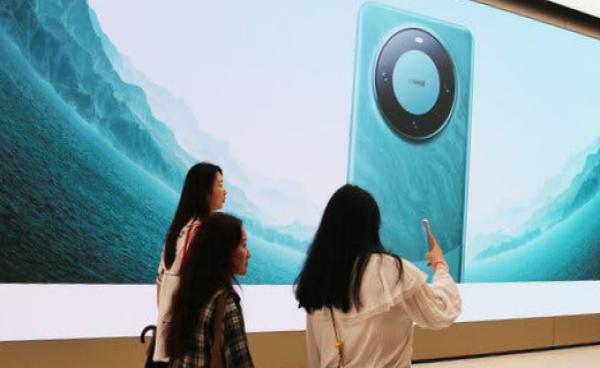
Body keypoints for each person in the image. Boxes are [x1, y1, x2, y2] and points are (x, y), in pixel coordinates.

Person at [295, 184, 461, 368]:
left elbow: (315, 358)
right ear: (373, 226)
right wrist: (440, 265)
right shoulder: (392, 272)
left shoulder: (317, 278)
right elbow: (441, 311)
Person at [154, 162, 227, 364]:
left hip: (168, 337)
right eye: (220, 184)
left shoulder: (178, 231)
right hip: (190, 344)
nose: (225, 191)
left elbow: (160, 286)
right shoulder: (204, 232)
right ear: (205, 191)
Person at [166, 212, 254, 368]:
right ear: (225, 251)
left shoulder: (188, 293)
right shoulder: (225, 304)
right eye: (244, 245)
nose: (249, 254)